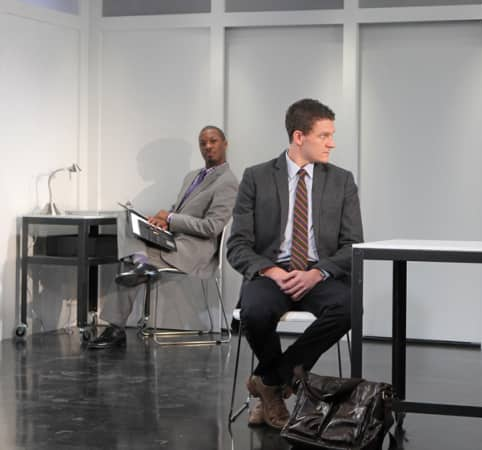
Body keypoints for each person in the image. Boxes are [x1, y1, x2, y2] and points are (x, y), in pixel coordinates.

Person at [226, 98, 363, 429]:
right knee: (255, 312)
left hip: (319, 272)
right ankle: (275, 387)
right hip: (271, 272)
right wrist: (271, 270)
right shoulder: (256, 177)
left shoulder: (342, 181)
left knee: (348, 308)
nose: (332, 143)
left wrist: (317, 273)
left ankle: (269, 381)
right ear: (299, 136)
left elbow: (353, 246)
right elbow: (238, 245)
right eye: (325, 135)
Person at [88, 126, 239, 349]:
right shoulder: (192, 177)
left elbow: (212, 227)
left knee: (129, 261)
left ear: (225, 144)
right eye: (203, 143)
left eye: (213, 141)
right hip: (171, 239)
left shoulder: (227, 182)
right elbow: (181, 210)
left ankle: (116, 325)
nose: (207, 147)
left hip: (192, 250)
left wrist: (170, 218)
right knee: (125, 218)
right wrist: (159, 222)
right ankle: (141, 264)